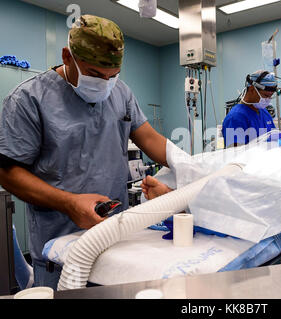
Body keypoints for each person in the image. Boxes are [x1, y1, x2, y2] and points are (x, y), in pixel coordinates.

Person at [0, 15, 168, 289]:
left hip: (114, 244)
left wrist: (190, 168)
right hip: (61, 251)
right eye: (94, 74)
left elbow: (149, 137)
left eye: (112, 76)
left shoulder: (121, 93)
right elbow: (7, 173)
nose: (104, 85)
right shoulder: (28, 100)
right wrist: (68, 203)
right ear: (67, 57)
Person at [221, 70, 278, 148]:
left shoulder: (263, 112)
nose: (268, 99)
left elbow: (273, 138)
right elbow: (234, 155)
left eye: (270, 96)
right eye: (265, 95)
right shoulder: (235, 118)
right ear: (252, 89)